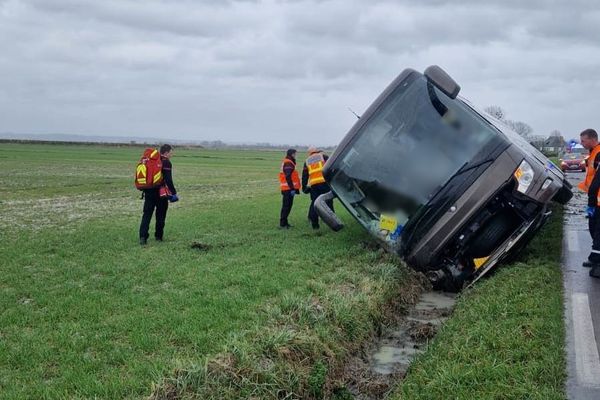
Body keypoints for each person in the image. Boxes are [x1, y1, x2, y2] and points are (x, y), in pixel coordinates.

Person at [139, 144, 178, 245]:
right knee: (161, 215)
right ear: (166, 152)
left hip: (148, 191)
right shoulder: (166, 162)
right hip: (161, 193)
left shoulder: (150, 161)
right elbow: (168, 180)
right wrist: (174, 193)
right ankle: (158, 236)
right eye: (171, 152)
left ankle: (143, 237)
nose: (172, 154)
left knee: (147, 214)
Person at [578, 129, 600, 277]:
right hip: (595, 200)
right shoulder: (593, 153)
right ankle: (594, 258)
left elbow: (597, 181)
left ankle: (598, 265)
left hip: (597, 200)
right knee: (593, 229)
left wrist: (591, 203)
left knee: (598, 233)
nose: (582, 143)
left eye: (583, 140)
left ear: (592, 139)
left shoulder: (598, 153)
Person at [302, 146, 334, 229]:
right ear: (316, 151)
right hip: (324, 183)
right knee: (328, 201)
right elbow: (330, 168)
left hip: (314, 185)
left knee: (315, 203)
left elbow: (304, 176)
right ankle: (333, 221)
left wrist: (304, 187)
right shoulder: (323, 157)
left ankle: (315, 224)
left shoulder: (307, 161)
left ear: (309, 153)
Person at [279, 148, 300, 228]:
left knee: (287, 206)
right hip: (288, 189)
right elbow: (288, 176)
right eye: (295, 154)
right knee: (286, 206)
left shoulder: (289, 162)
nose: (296, 155)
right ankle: (283, 224)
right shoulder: (288, 163)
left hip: (287, 188)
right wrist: (292, 188)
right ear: (292, 154)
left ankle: (285, 223)